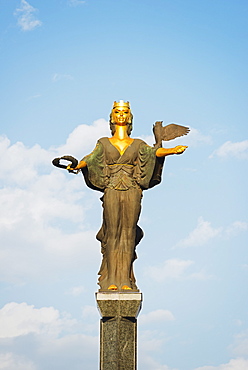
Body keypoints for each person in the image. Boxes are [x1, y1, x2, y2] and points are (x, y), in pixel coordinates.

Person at [70, 100, 187, 291]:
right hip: (112, 189)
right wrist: (76, 165)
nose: (121, 115)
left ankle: (125, 279)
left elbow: (154, 153)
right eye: (117, 111)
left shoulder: (138, 144)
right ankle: (111, 280)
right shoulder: (103, 142)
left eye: (125, 112)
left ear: (130, 117)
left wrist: (172, 151)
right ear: (112, 116)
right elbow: (90, 158)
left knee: (128, 233)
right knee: (113, 232)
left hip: (133, 190)